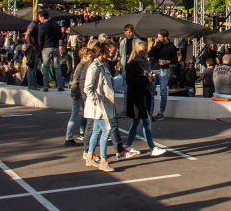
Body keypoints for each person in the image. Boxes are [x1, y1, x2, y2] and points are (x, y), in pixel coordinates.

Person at [122, 42, 166, 159]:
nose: (146, 52)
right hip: (137, 97)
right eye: (144, 50)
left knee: (136, 123)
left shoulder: (145, 63)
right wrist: (146, 79)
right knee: (146, 122)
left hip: (143, 96)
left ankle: (128, 145)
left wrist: (148, 78)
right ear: (138, 51)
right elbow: (130, 81)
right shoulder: (132, 64)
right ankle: (152, 147)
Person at [83, 42, 117, 172]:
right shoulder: (95, 66)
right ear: (102, 52)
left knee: (97, 131)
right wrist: (97, 101)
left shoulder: (102, 65)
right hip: (99, 106)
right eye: (107, 50)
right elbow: (88, 87)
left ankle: (90, 156)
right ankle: (103, 159)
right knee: (106, 130)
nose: (110, 52)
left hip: (102, 104)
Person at [147, 29, 178, 121]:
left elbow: (175, 60)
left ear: (165, 37)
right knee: (151, 91)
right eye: (158, 37)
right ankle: (150, 111)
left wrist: (167, 61)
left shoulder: (171, 47)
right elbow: (149, 54)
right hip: (154, 69)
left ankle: (161, 112)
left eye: (160, 37)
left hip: (164, 70)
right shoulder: (157, 44)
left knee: (163, 92)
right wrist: (154, 45)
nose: (158, 38)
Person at [65, 47, 90, 147]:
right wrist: (74, 94)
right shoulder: (81, 67)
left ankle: (84, 135)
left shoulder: (83, 66)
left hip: (81, 94)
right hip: (78, 94)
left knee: (86, 114)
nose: (91, 58)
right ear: (84, 57)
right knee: (74, 116)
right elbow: (75, 82)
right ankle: (69, 137)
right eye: (90, 56)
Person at [118, 25, 143, 112]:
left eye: (132, 32)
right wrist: (122, 66)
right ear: (125, 32)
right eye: (129, 32)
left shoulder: (138, 42)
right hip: (126, 68)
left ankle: (135, 108)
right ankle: (126, 109)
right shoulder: (122, 43)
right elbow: (121, 55)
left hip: (135, 68)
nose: (131, 33)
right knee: (126, 89)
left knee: (135, 88)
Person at [37, 11, 64, 92]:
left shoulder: (42, 27)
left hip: (46, 48)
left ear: (42, 17)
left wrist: (41, 47)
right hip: (55, 47)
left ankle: (46, 86)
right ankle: (59, 85)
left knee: (46, 67)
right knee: (57, 67)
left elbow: (40, 39)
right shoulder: (56, 25)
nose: (39, 19)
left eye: (39, 18)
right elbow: (60, 36)